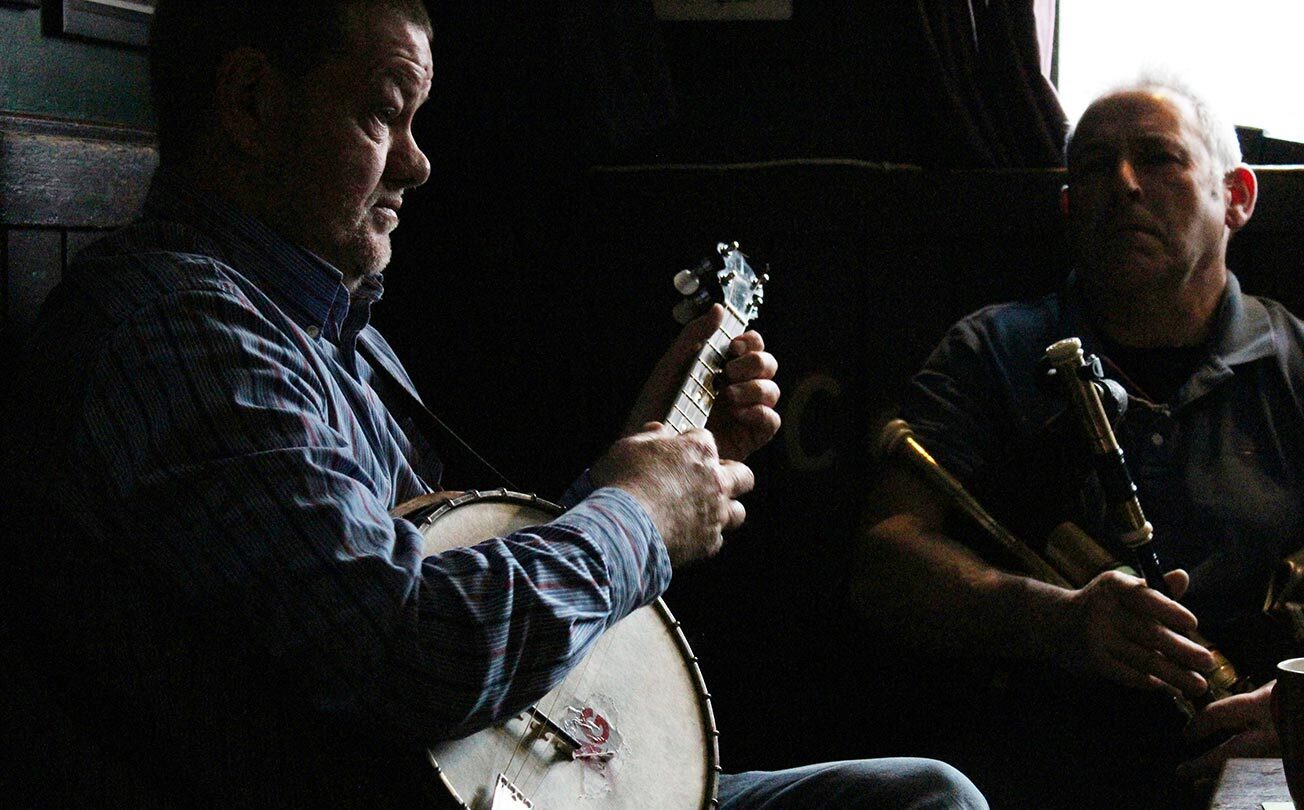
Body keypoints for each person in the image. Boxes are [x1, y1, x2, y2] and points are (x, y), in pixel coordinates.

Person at [0, 1, 988, 808]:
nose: (419, 163)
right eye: (385, 113)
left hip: (484, 775)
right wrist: (639, 514)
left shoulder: (328, 328)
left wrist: (646, 462)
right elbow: (412, 647)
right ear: (253, 103)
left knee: (918, 791)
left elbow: (436, 569)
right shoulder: (179, 332)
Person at [851, 72, 1304, 808]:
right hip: (1027, 776)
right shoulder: (989, 352)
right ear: (1069, 207)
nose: (1124, 184)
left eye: (1160, 159)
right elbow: (886, 559)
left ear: (1238, 197)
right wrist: (1054, 622)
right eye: (1095, 166)